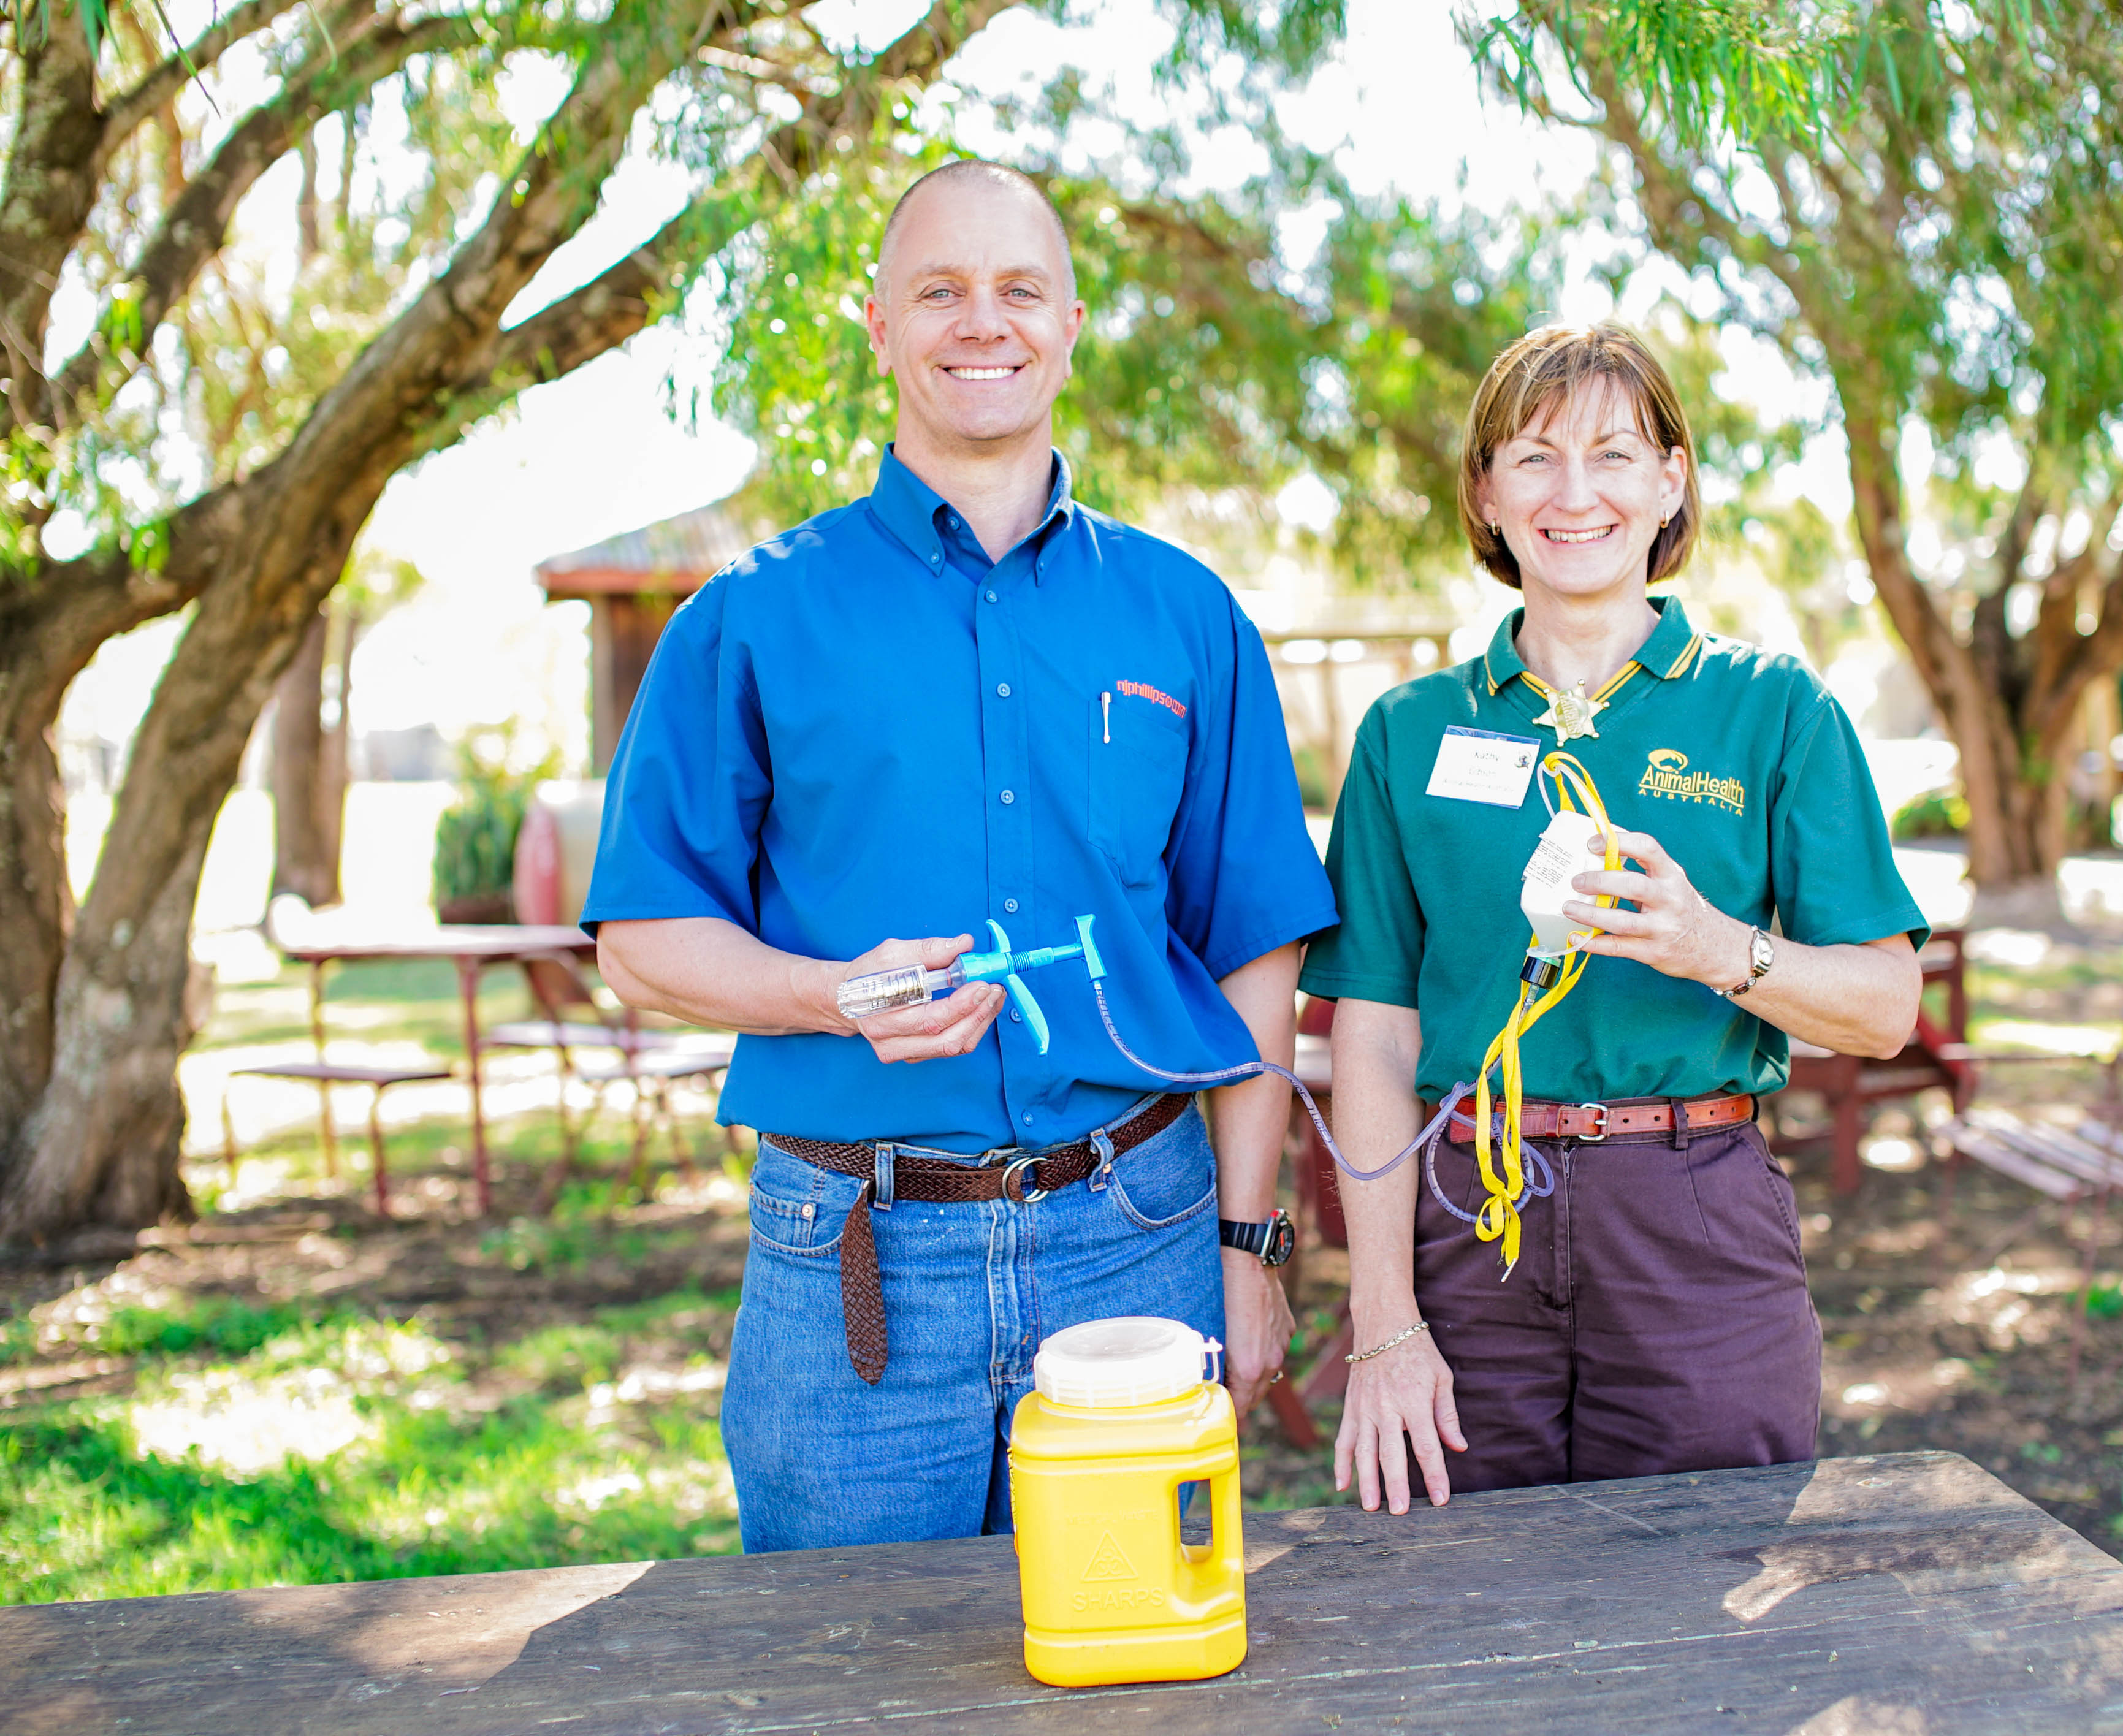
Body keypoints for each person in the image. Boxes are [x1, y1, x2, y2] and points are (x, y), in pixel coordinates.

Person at [585, 160, 1332, 1550]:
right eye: (939, 290)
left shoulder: (1186, 617)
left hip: (1137, 1239)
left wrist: (1247, 1248)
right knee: (853, 1686)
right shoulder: (747, 621)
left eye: (1016, 290)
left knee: (1132, 1676)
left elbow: (1254, 954)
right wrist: (827, 994)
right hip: (853, 1265)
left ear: (1069, 323)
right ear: (878, 325)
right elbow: (638, 944)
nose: (979, 322)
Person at [1300, 323, 1927, 1514]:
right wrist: (1381, 1323)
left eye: (1612, 454)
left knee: (1706, 1600)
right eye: (1531, 457)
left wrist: (1711, 947)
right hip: (1465, 1214)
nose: (1572, 493)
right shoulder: (1405, 732)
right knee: (1464, 1604)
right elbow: (1369, 1041)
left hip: (1692, 1209)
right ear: (1484, 493)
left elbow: (1884, 1011)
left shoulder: (1775, 710)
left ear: (1669, 481)